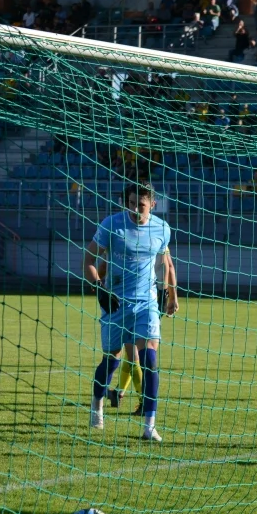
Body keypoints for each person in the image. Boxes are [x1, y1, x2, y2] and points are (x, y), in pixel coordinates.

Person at [82, 180, 178, 441]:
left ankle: (149, 426)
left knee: (149, 359)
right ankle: (97, 406)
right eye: (133, 203)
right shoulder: (111, 225)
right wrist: (100, 287)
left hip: (146, 303)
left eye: (142, 205)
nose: (137, 209)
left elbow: (162, 263)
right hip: (115, 301)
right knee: (111, 360)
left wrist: (165, 291)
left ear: (153, 205)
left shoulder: (162, 229)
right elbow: (88, 260)